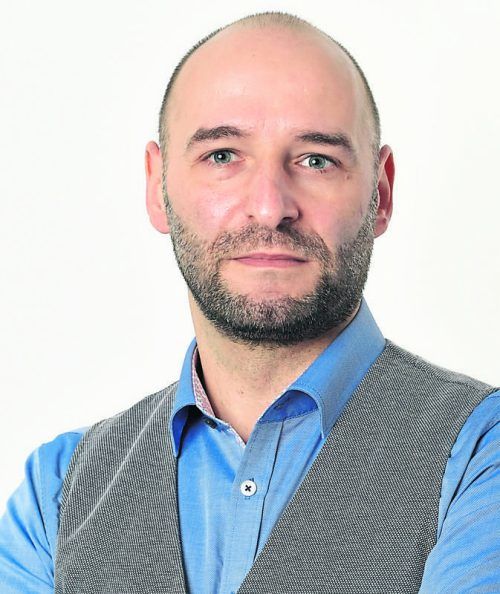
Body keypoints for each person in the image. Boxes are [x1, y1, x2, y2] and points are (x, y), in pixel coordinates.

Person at [1, 10, 499, 594]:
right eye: (222, 155)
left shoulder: (479, 454)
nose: (269, 207)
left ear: (381, 193)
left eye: (316, 159)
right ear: (157, 187)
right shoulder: (57, 495)